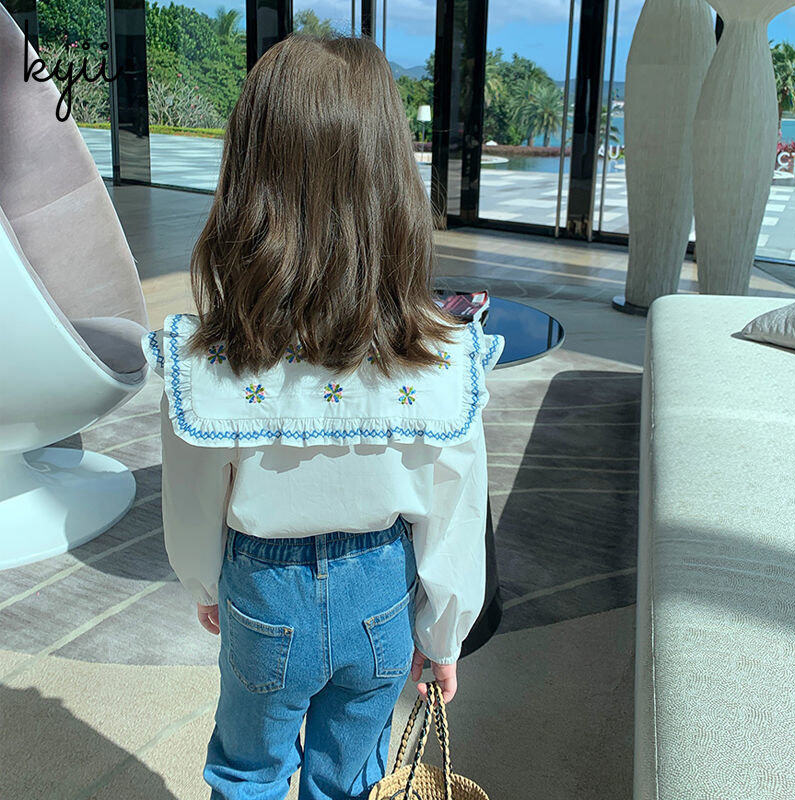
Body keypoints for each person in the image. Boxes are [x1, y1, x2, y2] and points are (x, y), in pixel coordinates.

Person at [140, 30, 504, 800]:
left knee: (247, 770)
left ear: (247, 179)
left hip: (263, 592)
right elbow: (455, 504)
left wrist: (204, 582)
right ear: (392, 182)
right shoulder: (440, 358)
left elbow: (191, 491)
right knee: (353, 778)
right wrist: (444, 633)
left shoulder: (214, 360)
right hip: (381, 595)